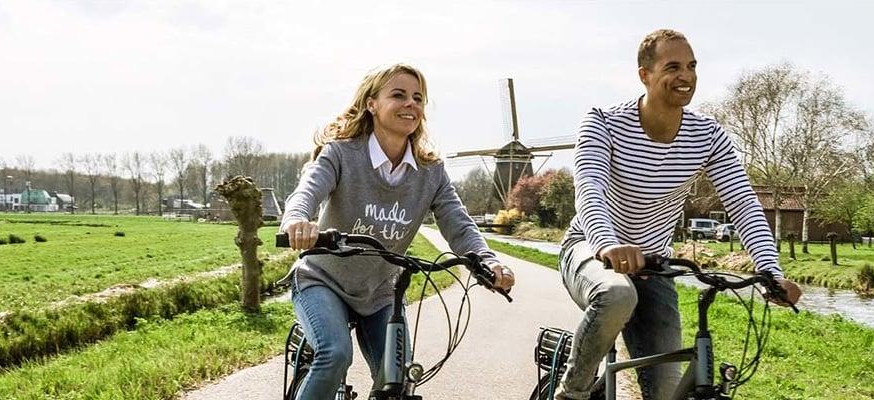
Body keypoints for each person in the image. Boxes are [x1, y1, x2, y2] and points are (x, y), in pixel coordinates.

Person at [555, 29, 802, 400]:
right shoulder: (603, 122)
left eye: (691, 66)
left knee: (666, 391)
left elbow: (743, 203)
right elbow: (590, 190)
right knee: (617, 295)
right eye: (673, 66)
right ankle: (571, 392)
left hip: (654, 267)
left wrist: (771, 273)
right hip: (590, 250)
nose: (685, 76)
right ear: (645, 74)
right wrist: (608, 244)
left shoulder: (707, 135)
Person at [281, 63, 516, 400]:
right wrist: (297, 221)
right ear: (372, 104)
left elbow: (459, 223)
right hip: (323, 281)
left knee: (397, 378)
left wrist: (487, 262)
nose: (411, 104)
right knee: (334, 354)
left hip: (379, 292)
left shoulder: (430, 171)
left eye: (418, 98)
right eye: (399, 95)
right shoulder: (343, 153)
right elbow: (307, 191)